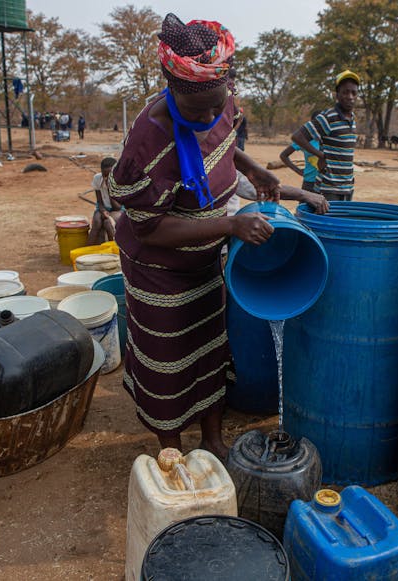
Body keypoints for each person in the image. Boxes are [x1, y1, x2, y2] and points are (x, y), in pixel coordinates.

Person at [109, 13, 279, 458]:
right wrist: (228, 224)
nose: (208, 116)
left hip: (204, 263)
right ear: (173, 88)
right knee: (169, 357)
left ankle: (213, 439)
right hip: (160, 271)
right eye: (195, 110)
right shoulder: (148, 139)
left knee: (209, 348)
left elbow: (221, 143)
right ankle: (171, 449)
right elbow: (150, 228)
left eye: (215, 106)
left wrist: (252, 166)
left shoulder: (217, 102)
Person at [291, 70, 359, 201]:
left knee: (343, 221)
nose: (350, 96)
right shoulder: (328, 117)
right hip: (328, 187)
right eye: (345, 92)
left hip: (347, 187)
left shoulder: (352, 119)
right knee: (327, 221)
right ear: (337, 95)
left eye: (353, 93)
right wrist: (320, 155)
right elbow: (298, 136)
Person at [280, 114, 321, 192]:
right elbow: (283, 155)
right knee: (306, 204)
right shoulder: (304, 139)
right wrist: (297, 170)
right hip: (310, 182)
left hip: (327, 183)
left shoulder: (330, 139)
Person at [88, 157, 123, 245]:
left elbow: (117, 207)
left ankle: (113, 251)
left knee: (108, 223)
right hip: (104, 207)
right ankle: (87, 252)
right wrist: (103, 210)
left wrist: (109, 188)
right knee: (97, 222)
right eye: (104, 175)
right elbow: (99, 201)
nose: (106, 178)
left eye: (109, 176)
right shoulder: (97, 178)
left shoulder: (121, 181)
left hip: (119, 209)